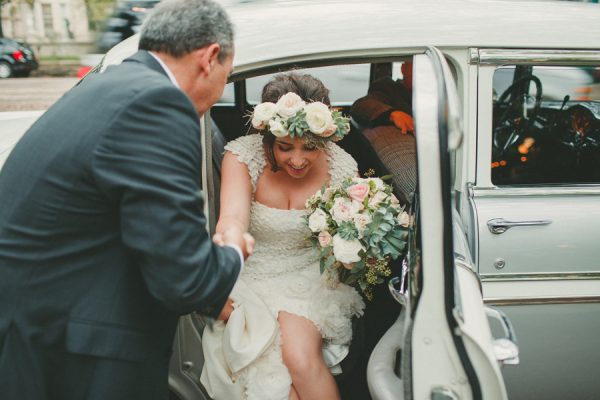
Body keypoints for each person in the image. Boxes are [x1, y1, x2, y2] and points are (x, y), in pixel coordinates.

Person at [0, 1, 252, 399]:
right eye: (228, 75)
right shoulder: (158, 106)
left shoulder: (116, 85)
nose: (223, 87)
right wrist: (234, 249)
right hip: (73, 350)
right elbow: (186, 282)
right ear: (209, 58)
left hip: (43, 324)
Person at [200, 73, 365, 400]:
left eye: (311, 147)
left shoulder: (343, 168)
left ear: (326, 136)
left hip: (309, 275)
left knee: (299, 359)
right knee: (277, 384)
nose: (298, 159)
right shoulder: (242, 157)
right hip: (253, 273)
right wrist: (224, 261)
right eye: (285, 147)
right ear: (268, 137)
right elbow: (232, 219)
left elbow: (351, 236)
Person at [351, 60, 414, 134]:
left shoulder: (429, 94)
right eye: (417, 68)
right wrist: (393, 114)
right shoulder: (389, 88)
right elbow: (361, 105)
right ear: (403, 69)